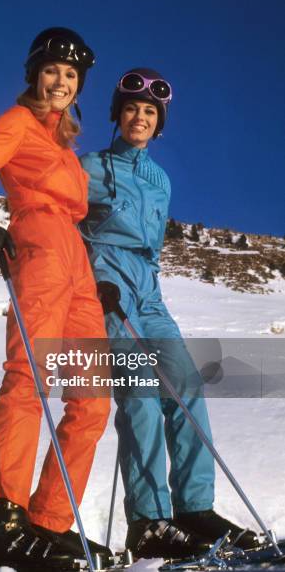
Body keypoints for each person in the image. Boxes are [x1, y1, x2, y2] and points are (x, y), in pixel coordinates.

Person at [0, 27, 112, 571]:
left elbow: (71, 213)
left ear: (78, 87)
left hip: (76, 263)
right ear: (35, 74)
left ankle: (50, 522)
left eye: (70, 76)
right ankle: (3, 519)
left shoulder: (65, 143)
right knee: (30, 378)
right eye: (53, 71)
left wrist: (92, 273)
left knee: (93, 401)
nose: (60, 82)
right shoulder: (16, 124)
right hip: (36, 251)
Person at [79, 68, 258, 559]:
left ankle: (193, 509)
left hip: (148, 292)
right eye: (132, 108)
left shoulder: (161, 181)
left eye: (151, 112)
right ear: (117, 114)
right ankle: (148, 520)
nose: (140, 116)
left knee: (185, 388)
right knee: (138, 395)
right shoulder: (88, 167)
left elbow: (153, 246)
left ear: (160, 124)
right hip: (108, 287)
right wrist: (91, 277)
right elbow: (62, 224)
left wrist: (146, 285)